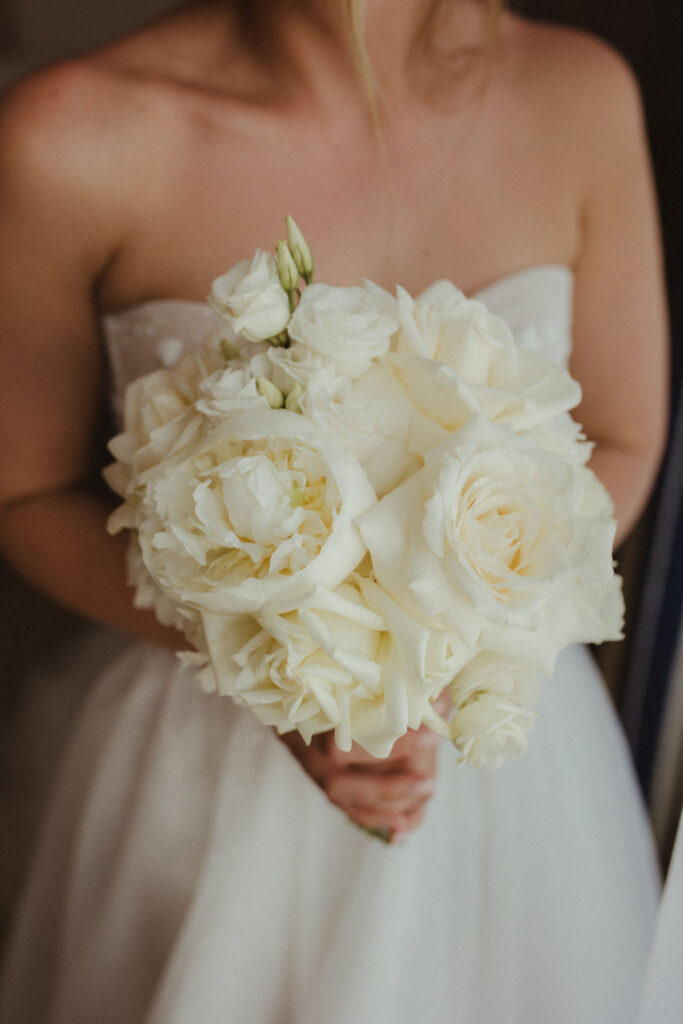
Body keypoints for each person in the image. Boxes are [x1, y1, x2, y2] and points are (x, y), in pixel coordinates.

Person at [0, 1, 668, 1021]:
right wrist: (282, 653)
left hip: (506, 765)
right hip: (191, 769)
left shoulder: (578, 97)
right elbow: (25, 489)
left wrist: (446, 638)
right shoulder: (70, 132)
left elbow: (622, 433)